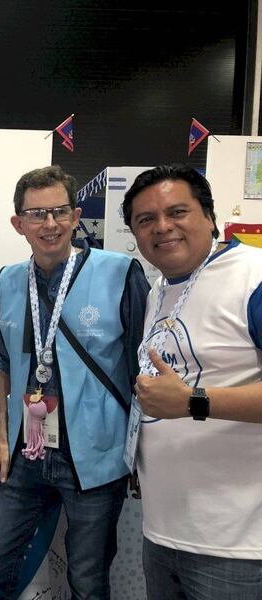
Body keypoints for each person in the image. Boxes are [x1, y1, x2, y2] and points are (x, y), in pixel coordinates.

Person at [0, 165, 149, 600]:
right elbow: (4, 362)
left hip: (95, 455)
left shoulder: (119, 272)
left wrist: (141, 450)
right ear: (18, 223)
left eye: (58, 212)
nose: (49, 223)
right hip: (27, 452)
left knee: (87, 581)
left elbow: (141, 369)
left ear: (75, 217)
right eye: (36, 214)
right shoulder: (8, 279)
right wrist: (3, 441)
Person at [122, 164, 262, 598]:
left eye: (177, 212)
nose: (162, 227)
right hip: (164, 532)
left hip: (238, 544)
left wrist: (194, 402)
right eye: (146, 219)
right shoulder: (160, 290)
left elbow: (185, 396)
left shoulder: (252, 276)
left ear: (209, 215)